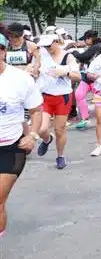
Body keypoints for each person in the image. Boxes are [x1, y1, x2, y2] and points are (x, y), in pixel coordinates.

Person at [0, 25, 43, 240]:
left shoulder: (20, 79)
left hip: (10, 148)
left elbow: (36, 111)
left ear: (4, 51)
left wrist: (32, 135)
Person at [35, 35, 81, 169]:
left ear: (56, 42)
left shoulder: (68, 57)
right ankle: (47, 139)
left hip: (62, 97)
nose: (48, 49)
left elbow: (78, 76)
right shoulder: (42, 55)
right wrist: (33, 72)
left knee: (59, 130)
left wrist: (65, 73)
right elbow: (35, 69)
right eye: (45, 46)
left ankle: (60, 156)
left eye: (49, 45)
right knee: (41, 128)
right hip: (45, 96)